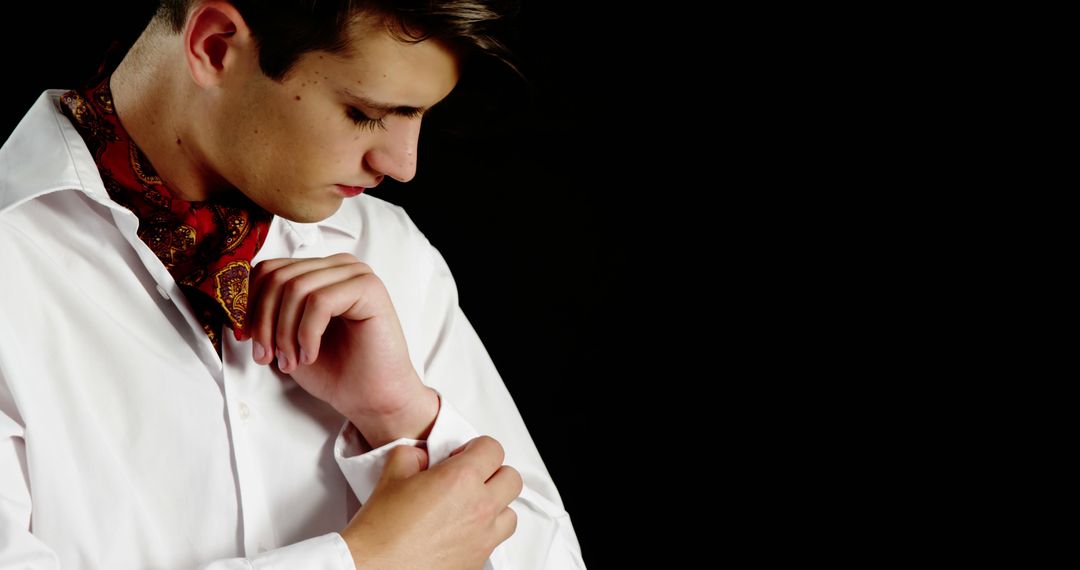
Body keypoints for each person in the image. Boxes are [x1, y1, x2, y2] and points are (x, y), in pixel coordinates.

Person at [0, 0, 585, 568]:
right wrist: (370, 562)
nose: (403, 164)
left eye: (419, 115)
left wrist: (401, 416)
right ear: (215, 46)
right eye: (364, 113)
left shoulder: (388, 251)